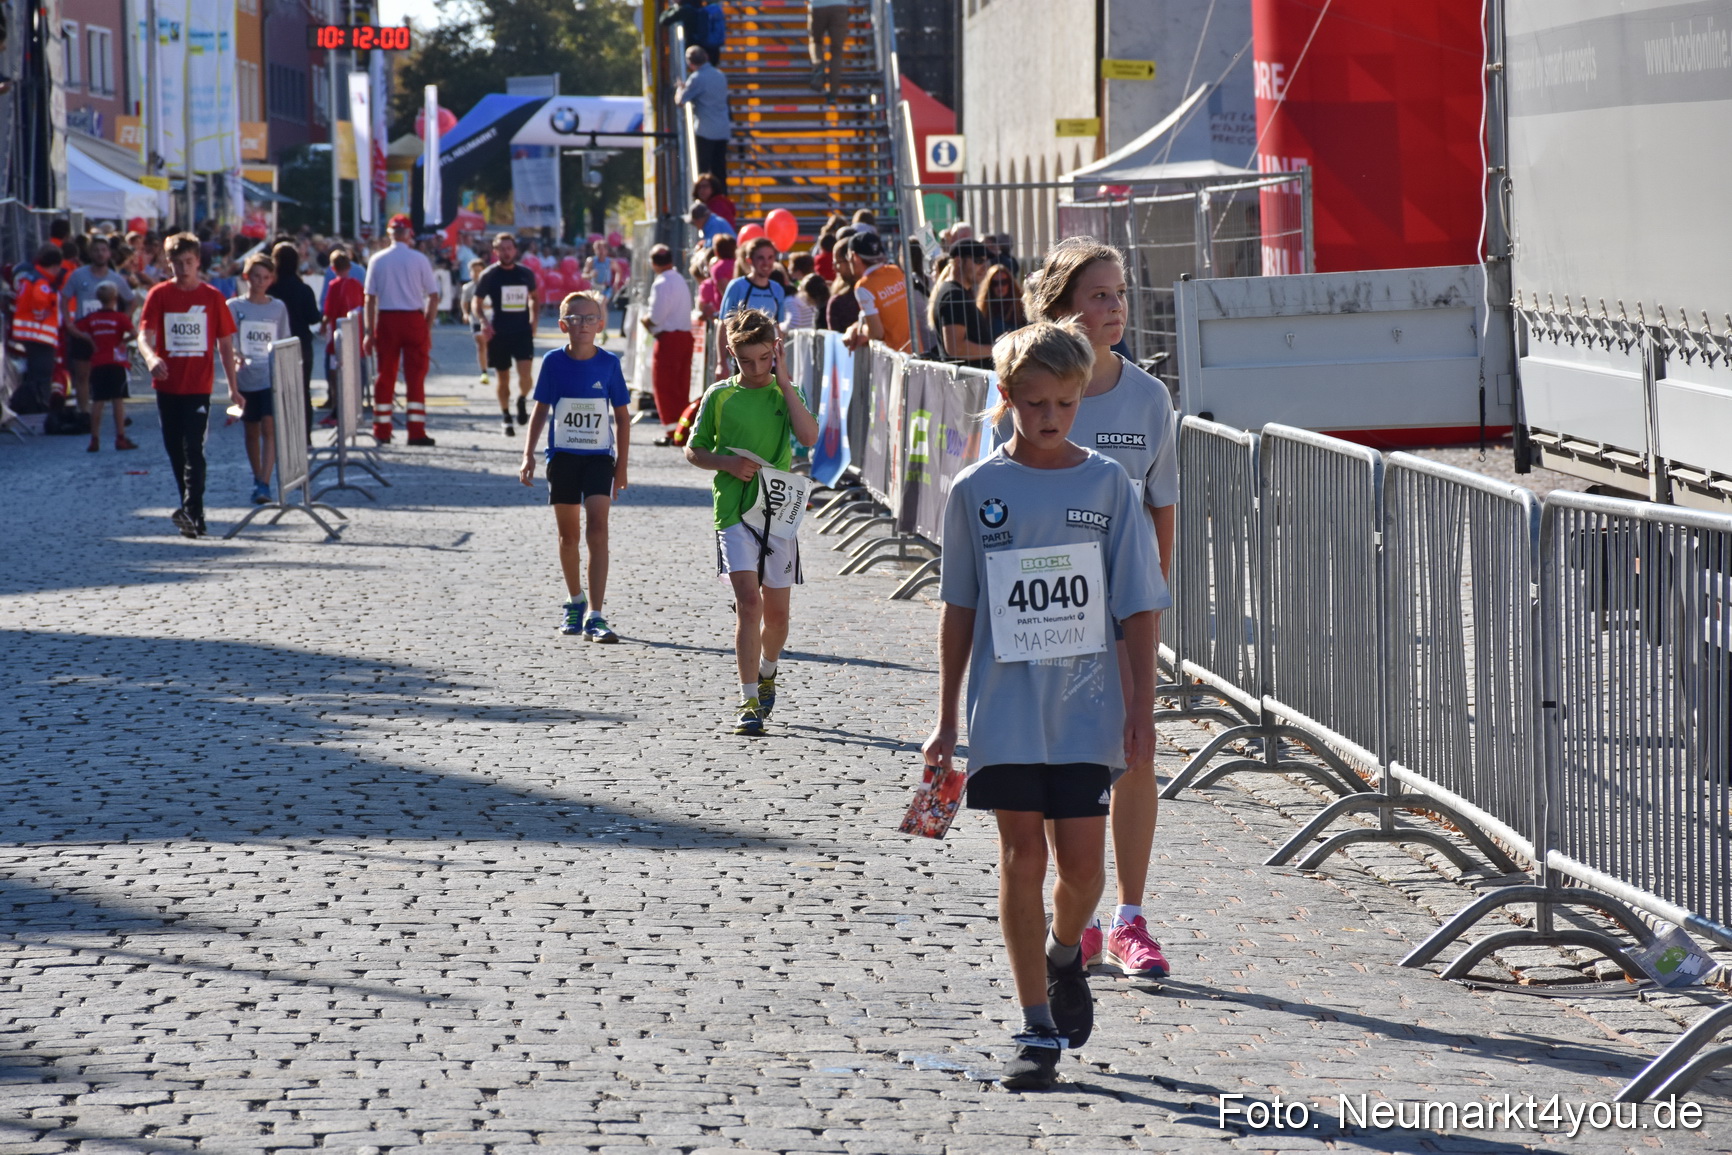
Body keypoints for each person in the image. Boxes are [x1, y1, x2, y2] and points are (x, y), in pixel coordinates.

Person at [922, 320, 1168, 1091]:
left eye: (1064, 402)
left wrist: (1141, 707)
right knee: (1021, 854)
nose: (1051, 417)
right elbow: (958, 606)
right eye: (1034, 404)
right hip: (1007, 709)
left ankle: (1068, 951)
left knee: (1084, 871)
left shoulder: (1107, 486)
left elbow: (1138, 601)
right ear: (1007, 399)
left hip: (1087, 708)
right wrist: (945, 718)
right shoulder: (977, 490)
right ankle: (1035, 1024)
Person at [1015, 238, 1179, 981]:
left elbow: (1161, 511)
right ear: (1062, 308)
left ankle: (1131, 918)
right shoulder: (1029, 389)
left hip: (1122, 614)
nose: (1115, 307)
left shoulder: (1149, 398)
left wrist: (1146, 611)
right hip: (1046, 615)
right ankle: (1074, 915)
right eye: (1100, 295)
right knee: (1067, 764)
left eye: (1120, 292)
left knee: (1137, 754)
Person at [683, 307, 819, 736]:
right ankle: (747, 699)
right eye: (746, 360)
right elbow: (694, 449)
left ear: (776, 352)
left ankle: (767, 671)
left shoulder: (785, 392)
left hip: (777, 511)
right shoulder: (719, 395)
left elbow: (810, 438)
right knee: (749, 602)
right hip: (732, 509)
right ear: (730, 354)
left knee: (776, 617)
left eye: (764, 358)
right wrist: (727, 462)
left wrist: (784, 382)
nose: (756, 368)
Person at [518, 291, 632, 643]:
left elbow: (623, 418)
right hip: (563, 456)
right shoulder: (553, 362)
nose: (582, 325)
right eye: (575, 319)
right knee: (569, 536)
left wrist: (622, 467)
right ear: (563, 324)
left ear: (600, 324)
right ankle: (575, 600)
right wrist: (528, 455)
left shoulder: (610, 364)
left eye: (590, 318)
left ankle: (596, 615)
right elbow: (540, 410)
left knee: (597, 530)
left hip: (599, 457)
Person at [137, 231, 241, 538]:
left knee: (194, 448)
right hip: (167, 386)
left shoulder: (211, 297)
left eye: (188, 262)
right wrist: (151, 358)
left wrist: (233, 389)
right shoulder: (159, 295)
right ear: (168, 263)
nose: (183, 268)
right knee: (175, 452)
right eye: (176, 263)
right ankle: (195, 512)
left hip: (199, 385)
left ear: (198, 262)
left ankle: (192, 512)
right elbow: (144, 335)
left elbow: (225, 345)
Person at [363, 213, 440, 446]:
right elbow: (434, 296)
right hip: (413, 319)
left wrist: (369, 331)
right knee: (416, 377)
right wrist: (426, 326)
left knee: (385, 376)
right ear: (409, 235)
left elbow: (369, 299)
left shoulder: (377, 260)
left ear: (389, 233)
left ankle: (381, 430)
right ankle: (416, 432)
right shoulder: (419, 260)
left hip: (387, 320)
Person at [227, 252, 293, 505]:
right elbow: (227, 340)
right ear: (247, 277)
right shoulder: (234, 307)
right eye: (256, 276)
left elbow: (284, 340)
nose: (260, 281)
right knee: (251, 430)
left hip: (269, 377)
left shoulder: (277, 308)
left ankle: (265, 481)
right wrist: (234, 355)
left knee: (269, 427)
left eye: (266, 277)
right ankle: (257, 477)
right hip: (244, 379)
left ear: (271, 280)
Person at [474, 232, 542, 436]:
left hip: (522, 331)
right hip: (499, 333)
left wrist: (534, 320)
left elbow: (535, 298)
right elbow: (476, 303)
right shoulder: (490, 275)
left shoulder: (525, 274)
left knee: (526, 377)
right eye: (501, 249)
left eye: (509, 248)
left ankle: (521, 399)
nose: (506, 252)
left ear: (515, 250)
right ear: (495, 251)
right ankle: (505, 417)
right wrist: (484, 322)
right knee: (502, 378)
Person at [60, 236, 135, 417]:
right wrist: (69, 323)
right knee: (82, 374)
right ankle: (84, 411)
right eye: (96, 250)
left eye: (103, 250)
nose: (100, 254)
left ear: (109, 253)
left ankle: (112, 413)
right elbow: (64, 298)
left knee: (108, 374)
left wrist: (121, 320)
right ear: (90, 253)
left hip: (107, 333)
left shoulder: (115, 278)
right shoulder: (78, 275)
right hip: (84, 332)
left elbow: (132, 301)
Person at [640, 244, 696, 446]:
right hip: (684, 336)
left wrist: (646, 321)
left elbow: (656, 317)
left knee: (665, 386)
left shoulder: (661, 283)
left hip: (668, 339)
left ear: (654, 263)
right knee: (681, 385)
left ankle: (672, 431)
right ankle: (683, 429)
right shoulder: (680, 279)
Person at [266, 241, 320, 437]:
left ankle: (282, 435)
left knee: (277, 391)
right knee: (302, 391)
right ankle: (304, 435)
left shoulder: (271, 290)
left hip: (275, 345)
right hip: (301, 344)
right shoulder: (303, 289)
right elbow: (314, 317)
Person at [80, 282, 138, 453]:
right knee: (117, 400)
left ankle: (94, 439)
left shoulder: (92, 318)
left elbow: (75, 329)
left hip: (98, 362)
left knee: (97, 401)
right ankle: (120, 437)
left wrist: (90, 341)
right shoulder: (120, 318)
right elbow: (135, 334)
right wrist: (122, 342)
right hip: (116, 362)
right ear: (115, 298)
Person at [930, 238, 996, 368]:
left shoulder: (958, 293)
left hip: (968, 381)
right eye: (978, 261)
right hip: (966, 383)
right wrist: (998, 350)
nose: (984, 267)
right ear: (958, 261)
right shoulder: (954, 295)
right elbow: (956, 347)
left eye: (986, 262)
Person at [841, 231, 911, 352]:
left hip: (893, 359)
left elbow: (877, 333)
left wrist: (862, 329)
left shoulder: (863, 286)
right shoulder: (896, 271)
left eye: (847, 257)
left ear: (854, 256)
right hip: (915, 353)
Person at [675, 46, 731, 186]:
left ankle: (702, 200)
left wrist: (679, 89)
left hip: (705, 131)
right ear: (706, 56)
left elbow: (681, 101)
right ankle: (721, 200)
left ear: (690, 63)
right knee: (720, 171)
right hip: (722, 129)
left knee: (702, 171)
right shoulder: (720, 75)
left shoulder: (697, 78)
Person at [319, 250, 366, 413]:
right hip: (355, 332)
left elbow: (329, 311)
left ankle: (336, 403)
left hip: (337, 333)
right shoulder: (357, 285)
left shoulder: (334, 286)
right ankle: (355, 403)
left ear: (333, 268)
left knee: (334, 370)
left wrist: (323, 326)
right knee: (354, 368)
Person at [720, 237, 788, 328]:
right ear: (749, 260)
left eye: (770, 257)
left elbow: (778, 326)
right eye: (761, 258)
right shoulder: (736, 286)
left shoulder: (777, 289)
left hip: (768, 342)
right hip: (741, 342)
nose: (766, 263)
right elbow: (724, 324)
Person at [807, 0, 851, 94]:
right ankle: (833, 92)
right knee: (837, 52)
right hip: (840, 6)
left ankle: (819, 70)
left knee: (815, 42)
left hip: (817, 6)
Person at [977, 262, 1027, 339]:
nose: (1000, 287)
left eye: (1004, 282)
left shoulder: (1020, 305)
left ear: (1010, 283)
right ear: (990, 286)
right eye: (995, 283)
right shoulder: (985, 308)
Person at [460, 256, 489, 386]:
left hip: (491, 319)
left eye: (479, 270)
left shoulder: (491, 285)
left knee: (490, 344)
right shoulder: (468, 288)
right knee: (481, 343)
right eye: (474, 270)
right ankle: (484, 372)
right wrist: (466, 314)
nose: (476, 273)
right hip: (476, 319)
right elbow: (464, 303)